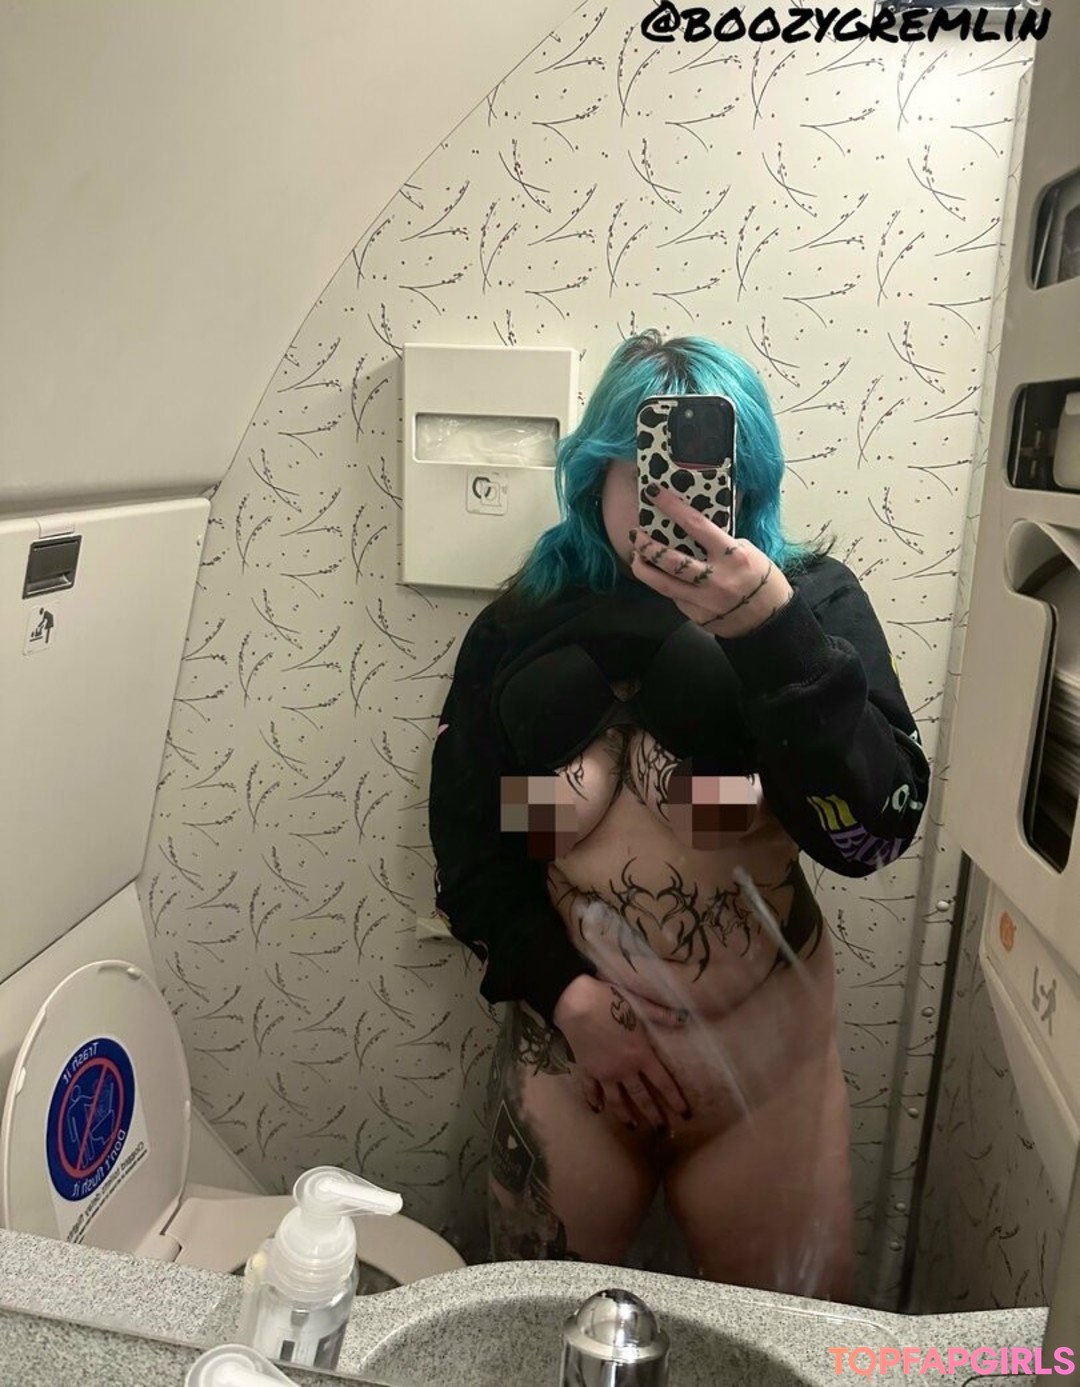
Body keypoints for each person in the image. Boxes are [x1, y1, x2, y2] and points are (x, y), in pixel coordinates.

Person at [427, 331, 929, 1299]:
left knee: (781, 1350)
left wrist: (773, 634)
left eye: (709, 473)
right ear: (598, 473)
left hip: (764, 1080)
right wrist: (568, 996)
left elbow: (876, 829)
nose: (673, 498)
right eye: (646, 469)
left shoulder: (812, 604)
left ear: (750, 477)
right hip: (571, 1057)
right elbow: (467, 847)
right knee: (531, 1339)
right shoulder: (520, 623)